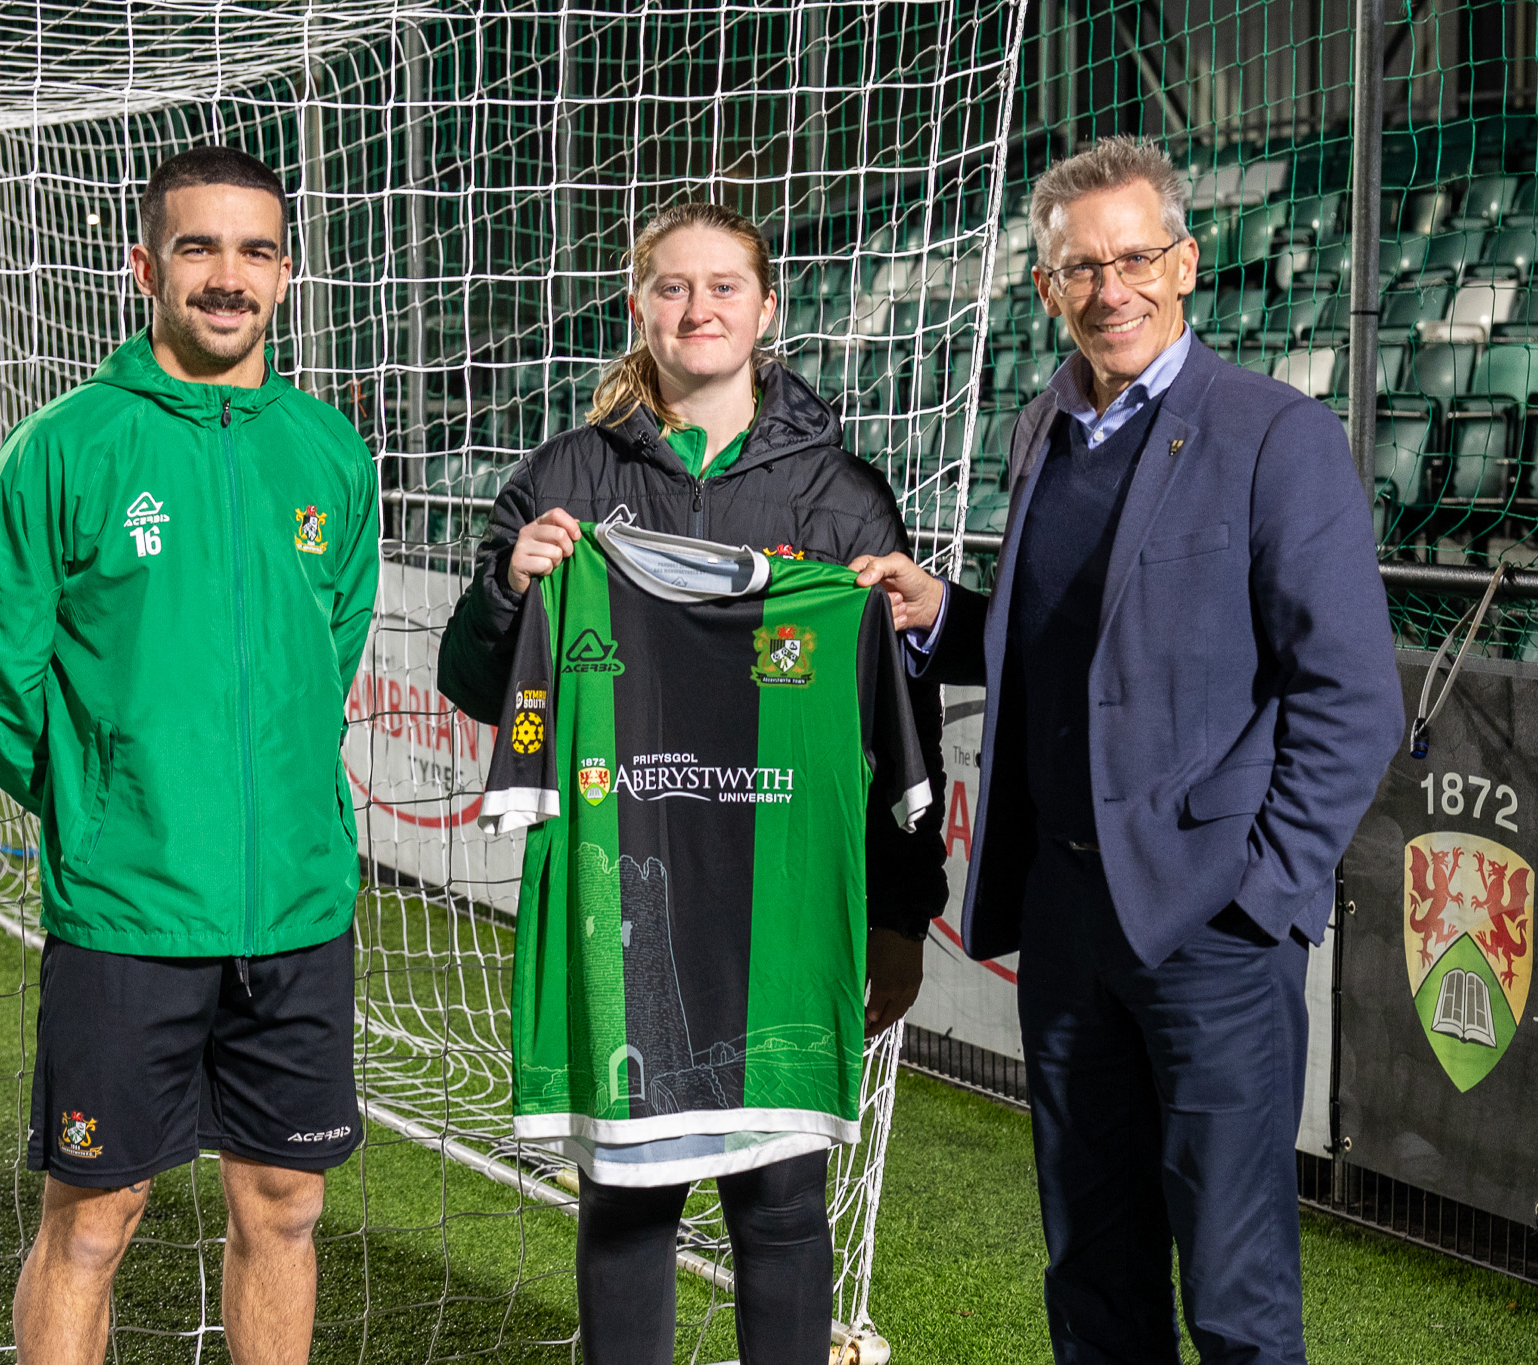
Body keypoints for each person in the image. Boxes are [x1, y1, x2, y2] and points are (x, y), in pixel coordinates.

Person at [854, 137, 1405, 1363]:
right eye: (1081, 268)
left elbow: (1352, 696)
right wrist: (943, 616)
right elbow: (1075, 644)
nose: (1111, 289)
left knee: (1233, 1295)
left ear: (1185, 264)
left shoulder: (1273, 434)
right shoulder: (1043, 428)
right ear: (1045, 287)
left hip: (1208, 926)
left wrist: (1260, 897)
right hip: (1064, 921)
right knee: (1092, 1277)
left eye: (1135, 259)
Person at [436, 201, 946, 1363]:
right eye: (672, 286)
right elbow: (473, 681)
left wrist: (900, 915)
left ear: (766, 310)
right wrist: (508, 592)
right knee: (626, 1200)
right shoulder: (564, 476)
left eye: (724, 287)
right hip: (629, 896)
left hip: (783, 907)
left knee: (782, 1204)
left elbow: (896, 725)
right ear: (637, 307)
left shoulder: (841, 496)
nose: (698, 308)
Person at [0, 146, 379, 1365]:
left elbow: (331, 649)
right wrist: (96, 793)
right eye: (198, 247)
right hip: (129, 909)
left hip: (296, 907)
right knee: (95, 1217)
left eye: (255, 251)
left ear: (284, 274)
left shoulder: (330, 453)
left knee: (284, 1205)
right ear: (144, 267)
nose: (227, 276)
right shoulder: (67, 446)